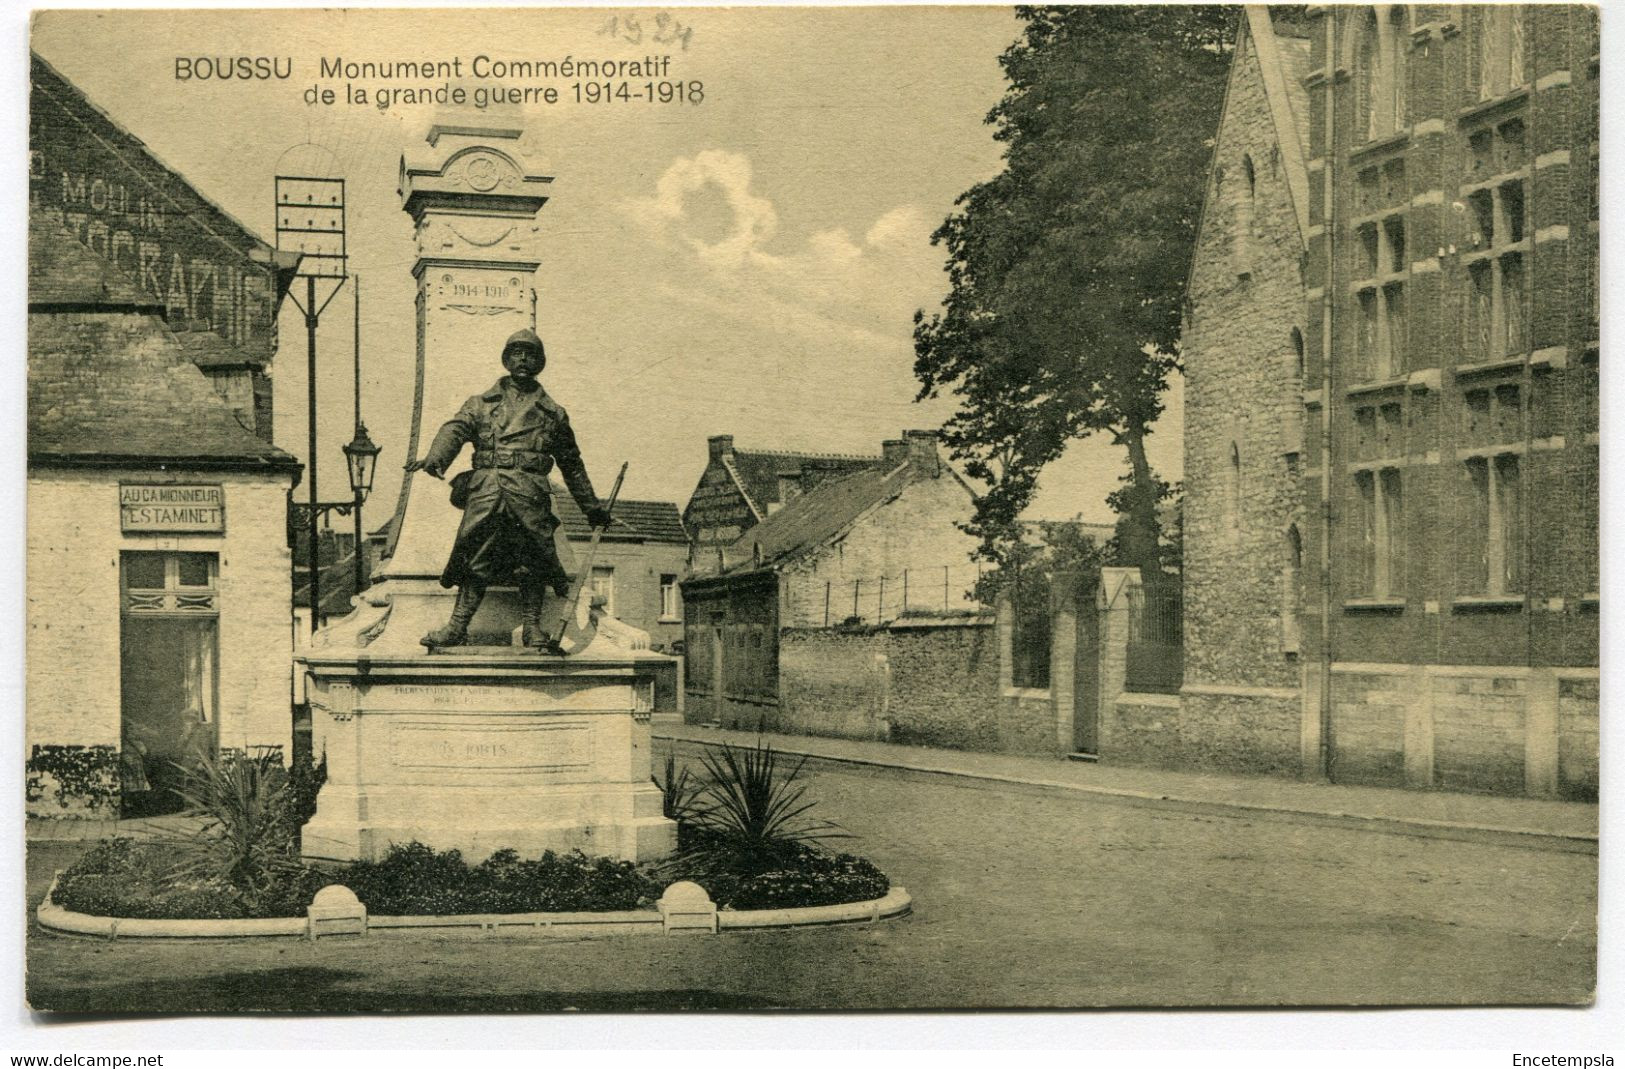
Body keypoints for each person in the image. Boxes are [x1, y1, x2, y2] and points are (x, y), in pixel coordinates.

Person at [406, 328, 612, 650]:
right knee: (475, 558)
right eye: (516, 353)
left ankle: (532, 628)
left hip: (530, 493)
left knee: (533, 560)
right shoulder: (481, 404)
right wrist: (436, 457)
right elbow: (456, 428)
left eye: (531, 355)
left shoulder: (553, 414)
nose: (523, 360)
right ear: (506, 359)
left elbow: (572, 464)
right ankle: (457, 627)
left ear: (540, 363)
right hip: (489, 489)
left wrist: (591, 508)